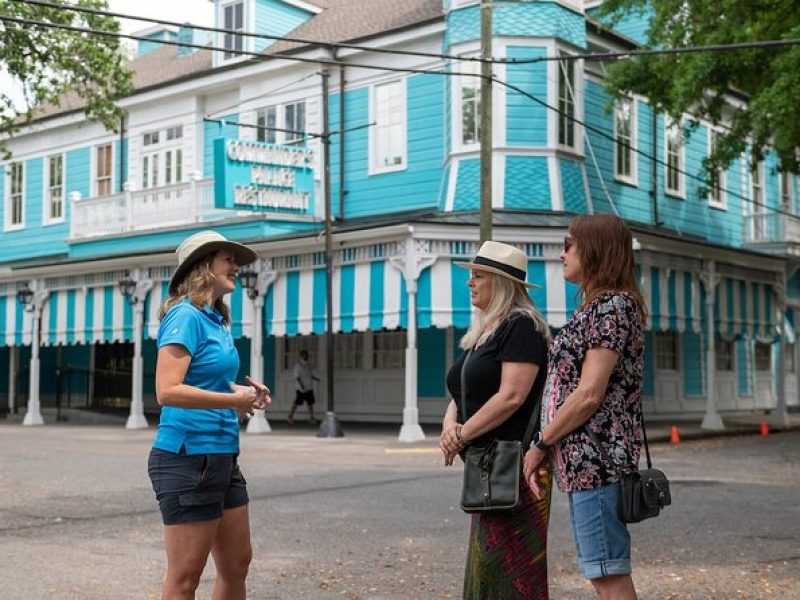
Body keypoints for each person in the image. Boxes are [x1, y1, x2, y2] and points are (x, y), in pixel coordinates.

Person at [523, 214, 648, 600]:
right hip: (584, 464)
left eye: (568, 245)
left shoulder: (612, 307)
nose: (561, 254)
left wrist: (542, 444)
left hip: (598, 463)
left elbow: (590, 393)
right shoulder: (599, 307)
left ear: (594, 250)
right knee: (603, 570)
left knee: (607, 572)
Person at [147, 230, 271, 600]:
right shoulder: (185, 316)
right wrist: (230, 402)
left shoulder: (214, 319)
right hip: (188, 457)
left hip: (221, 455)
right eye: (227, 259)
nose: (235, 266)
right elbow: (167, 391)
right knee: (186, 577)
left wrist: (244, 393)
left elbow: (208, 382)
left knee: (237, 565)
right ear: (203, 266)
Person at [440, 240, 552, 600]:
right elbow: (462, 388)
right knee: (486, 567)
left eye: (478, 276)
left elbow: (511, 396)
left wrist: (460, 434)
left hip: (517, 464)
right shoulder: (487, 330)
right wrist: (449, 427)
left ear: (500, 282)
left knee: (512, 570)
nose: (470, 283)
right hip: (488, 464)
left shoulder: (522, 326)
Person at [287, 349, 319, 424]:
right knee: (297, 402)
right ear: (301, 356)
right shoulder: (298, 365)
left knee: (310, 403)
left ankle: (311, 418)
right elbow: (297, 376)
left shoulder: (308, 365)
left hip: (309, 387)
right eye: (305, 355)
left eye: (307, 355)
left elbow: (310, 375)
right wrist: (301, 385)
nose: (306, 356)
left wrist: (316, 379)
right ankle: (290, 416)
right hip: (301, 388)